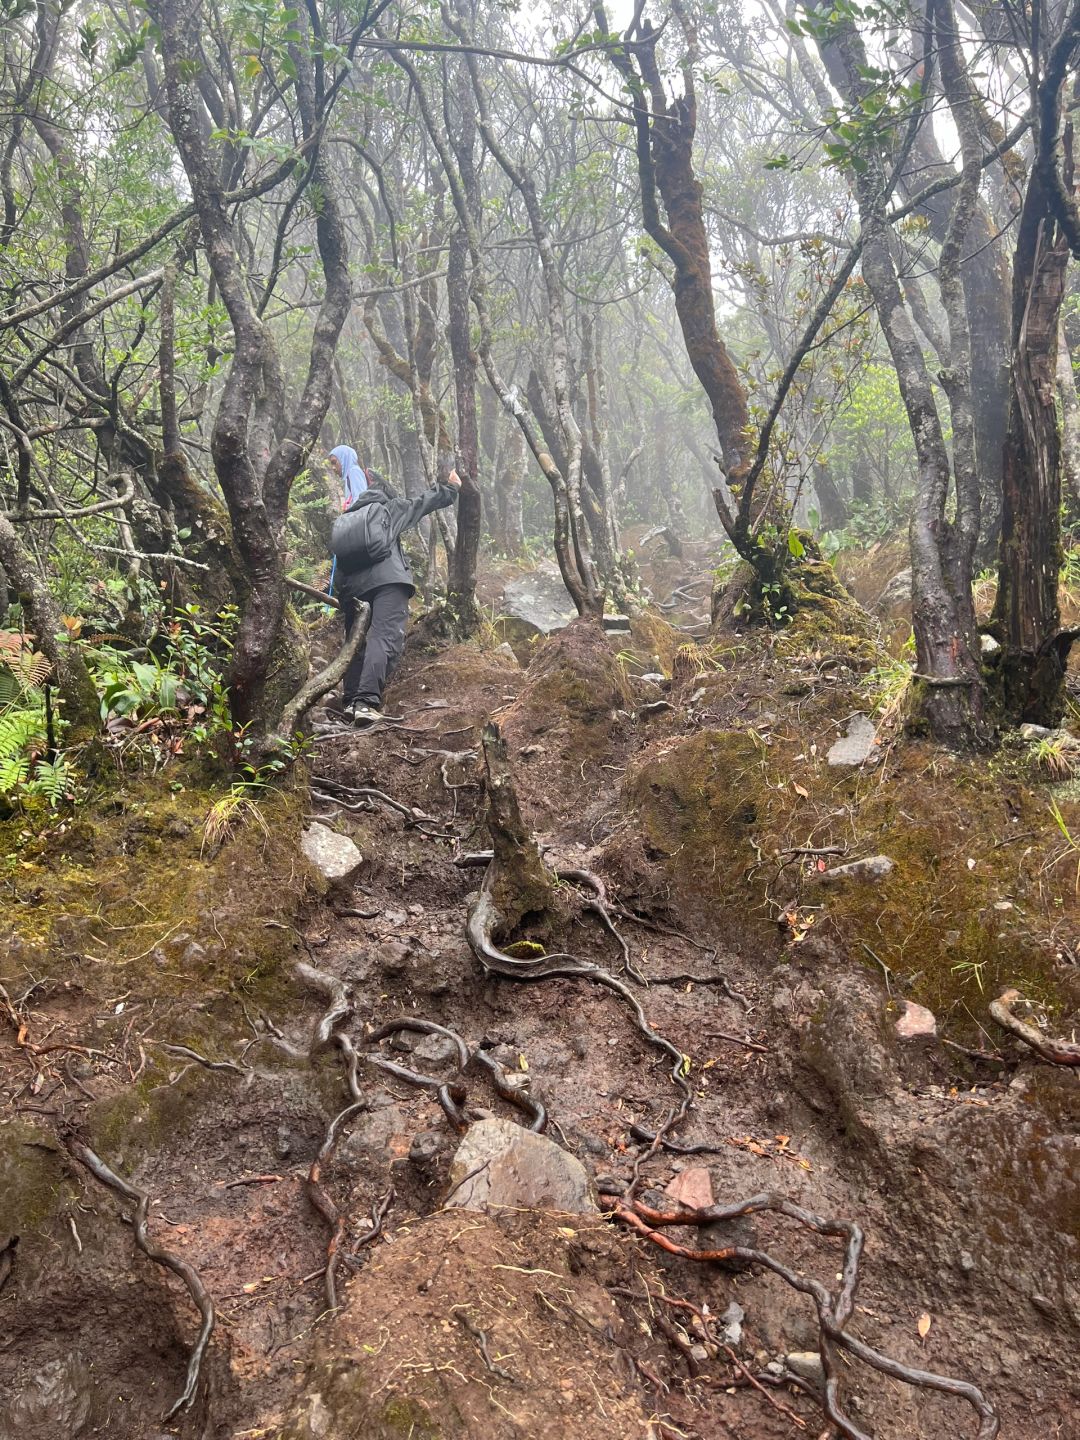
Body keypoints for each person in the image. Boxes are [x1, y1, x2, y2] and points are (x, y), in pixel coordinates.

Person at [336, 468, 461, 726]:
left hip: (352, 589)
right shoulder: (387, 508)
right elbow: (422, 503)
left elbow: (338, 563)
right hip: (388, 582)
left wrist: (343, 599)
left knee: (355, 643)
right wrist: (450, 489)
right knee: (383, 636)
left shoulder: (347, 518)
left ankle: (350, 702)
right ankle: (367, 703)